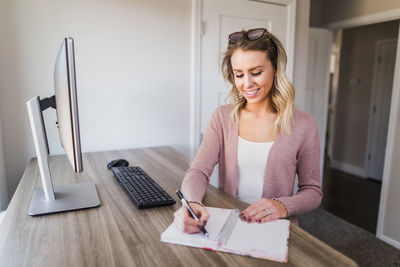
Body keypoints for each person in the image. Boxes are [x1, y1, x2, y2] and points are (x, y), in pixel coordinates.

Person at [173, 28, 322, 234]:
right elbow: (198, 171)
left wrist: (282, 206)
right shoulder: (222, 117)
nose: (247, 83)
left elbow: (313, 192)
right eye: (239, 74)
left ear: (275, 68)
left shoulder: (304, 124)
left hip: (276, 230)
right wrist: (191, 203)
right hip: (228, 227)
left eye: (256, 72)